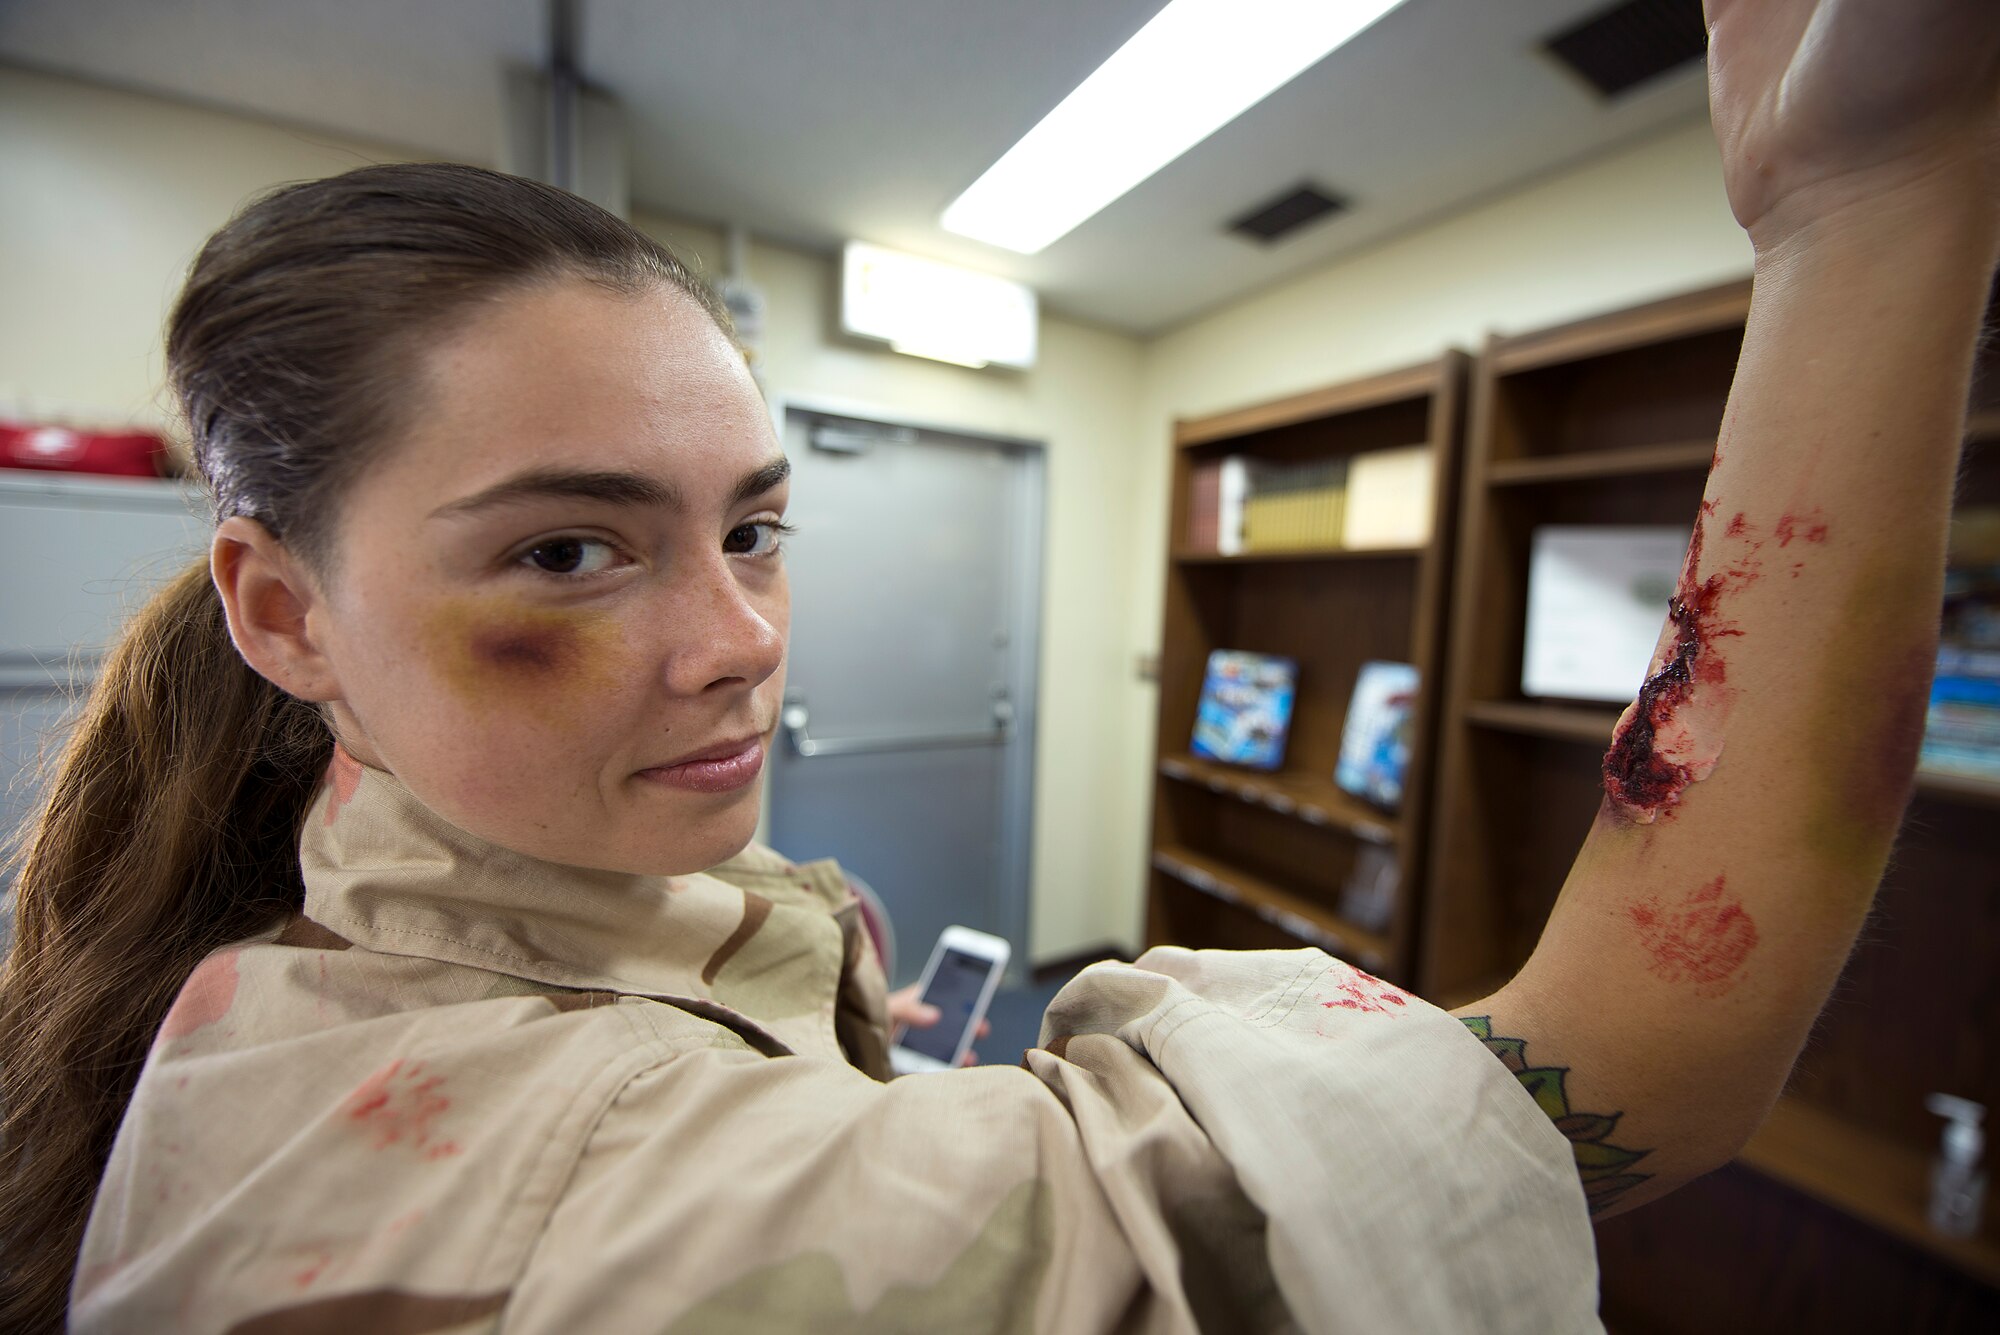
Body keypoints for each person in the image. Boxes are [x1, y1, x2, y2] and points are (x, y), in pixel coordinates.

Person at [2, 0, 1995, 1328]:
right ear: (281, 610)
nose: (740, 644)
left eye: (754, 524)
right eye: (566, 547)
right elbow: (1633, 1066)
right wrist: (1871, 204)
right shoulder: (584, 1197)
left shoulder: (382, 926)